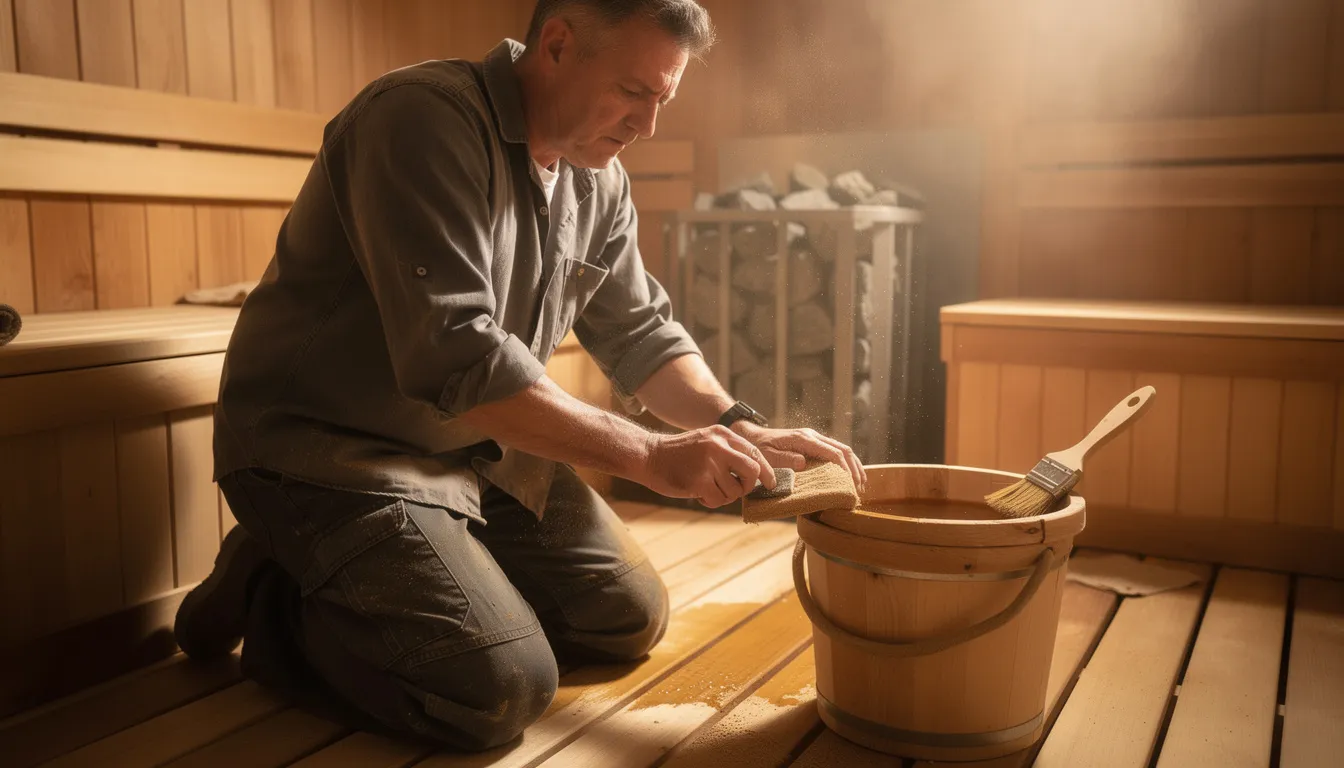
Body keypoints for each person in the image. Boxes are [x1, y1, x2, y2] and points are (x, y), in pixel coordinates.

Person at [174, 0, 867, 752]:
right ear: (559, 45)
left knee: (625, 616)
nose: (648, 124)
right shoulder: (422, 120)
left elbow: (639, 333)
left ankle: (402, 577)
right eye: (634, 92)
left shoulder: (596, 178)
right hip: (331, 456)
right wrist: (648, 455)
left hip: (476, 449)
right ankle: (271, 592)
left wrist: (737, 424)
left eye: (662, 100)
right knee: (498, 688)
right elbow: (458, 354)